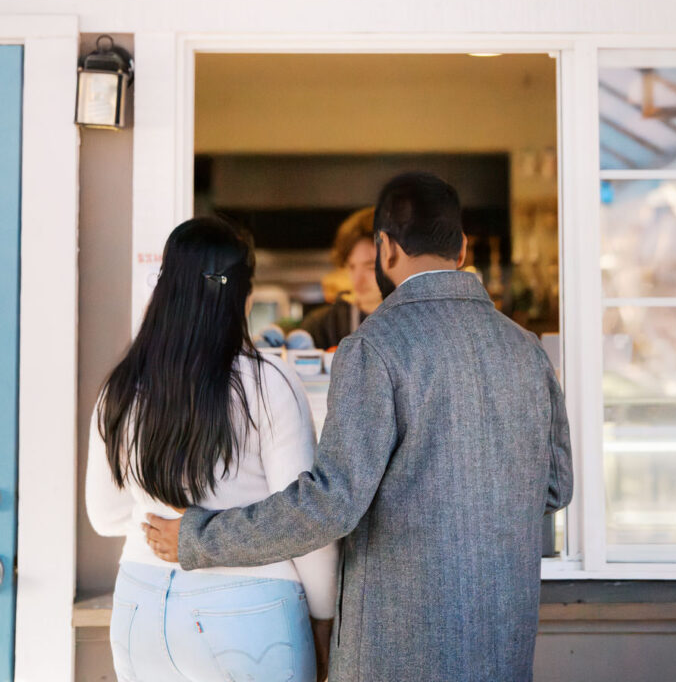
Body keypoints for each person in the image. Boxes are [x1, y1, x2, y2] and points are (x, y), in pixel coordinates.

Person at [145, 174, 573, 682]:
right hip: (502, 639)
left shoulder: (376, 346)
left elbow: (330, 504)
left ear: (385, 249)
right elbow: (555, 485)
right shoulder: (527, 349)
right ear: (461, 249)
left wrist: (200, 537)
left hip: (397, 649)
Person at [86, 217, 337, 682]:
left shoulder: (122, 387)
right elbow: (304, 523)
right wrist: (324, 619)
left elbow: (104, 516)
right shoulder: (269, 383)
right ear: (242, 295)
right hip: (250, 607)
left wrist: (166, 521)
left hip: (141, 606)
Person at [300, 206, 381, 349]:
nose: (358, 280)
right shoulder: (320, 326)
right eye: (351, 267)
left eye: (370, 267)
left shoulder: (413, 322)